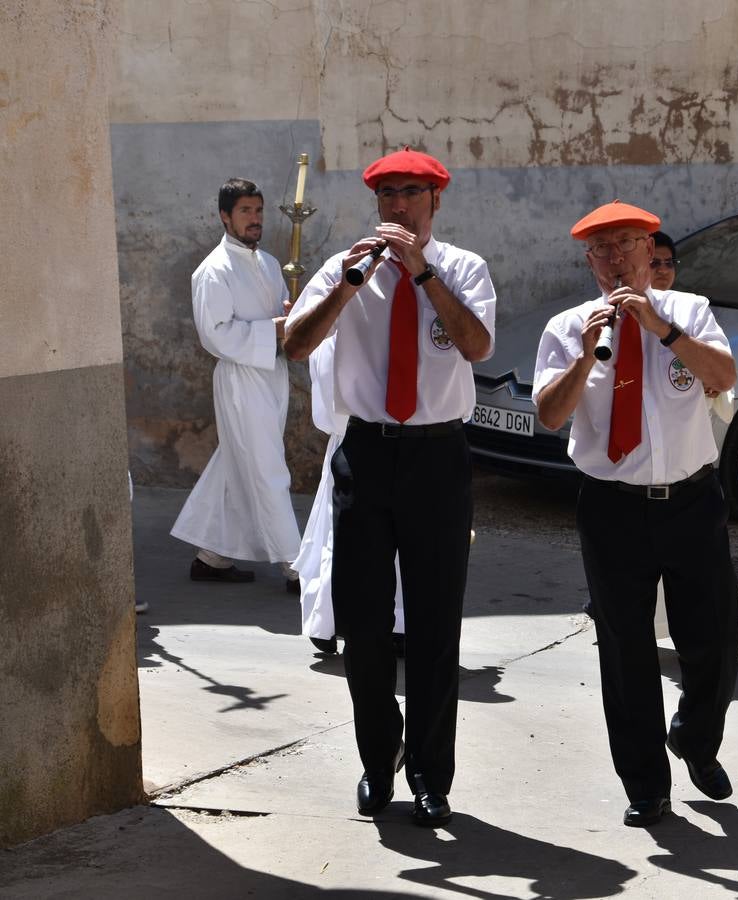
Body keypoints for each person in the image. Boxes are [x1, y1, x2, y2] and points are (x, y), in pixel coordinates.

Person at [283, 147, 495, 827]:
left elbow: (477, 345)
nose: (397, 207)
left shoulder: (463, 269)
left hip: (437, 457)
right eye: (387, 196)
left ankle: (433, 776)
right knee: (364, 626)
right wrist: (348, 286)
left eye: (410, 194)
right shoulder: (347, 266)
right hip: (367, 454)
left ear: (436, 201)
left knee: (435, 627)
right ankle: (380, 759)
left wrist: (423, 275)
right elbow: (295, 344)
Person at [533, 200, 738, 828]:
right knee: (625, 649)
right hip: (613, 507)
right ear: (589, 261)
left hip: (690, 499)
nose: (616, 259)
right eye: (602, 249)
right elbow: (549, 414)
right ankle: (646, 784)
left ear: (652, 251)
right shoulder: (569, 325)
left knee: (716, 638)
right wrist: (586, 352)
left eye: (627, 245)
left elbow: (725, 373)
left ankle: (696, 739)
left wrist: (661, 331)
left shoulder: (689, 311)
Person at [171, 178, 301, 590]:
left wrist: (291, 320)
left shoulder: (268, 263)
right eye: (245, 211)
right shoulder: (212, 272)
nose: (255, 219)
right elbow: (216, 336)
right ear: (225, 216)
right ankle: (297, 566)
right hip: (241, 380)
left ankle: (211, 556)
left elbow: (283, 318)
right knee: (266, 468)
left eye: (259, 210)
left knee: (237, 460)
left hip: (272, 374)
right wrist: (276, 330)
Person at [293, 334, 405, 656]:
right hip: (367, 444)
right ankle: (382, 625)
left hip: (346, 442)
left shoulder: (329, 341)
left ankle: (325, 623)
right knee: (363, 541)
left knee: (334, 535)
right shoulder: (352, 342)